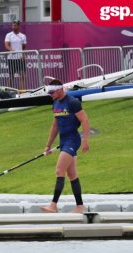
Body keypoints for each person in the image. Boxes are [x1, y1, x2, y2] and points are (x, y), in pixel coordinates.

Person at [40, 79, 90, 214]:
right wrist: (48, 145)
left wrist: (85, 140)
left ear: (59, 89)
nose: (50, 94)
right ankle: (80, 206)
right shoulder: (55, 103)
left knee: (59, 170)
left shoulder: (73, 102)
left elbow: (84, 120)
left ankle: (53, 205)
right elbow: (55, 125)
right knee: (72, 174)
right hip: (63, 141)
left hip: (73, 141)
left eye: (52, 92)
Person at [4, 20, 27, 90]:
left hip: (20, 58)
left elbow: (24, 47)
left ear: (18, 26)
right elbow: (6, 45)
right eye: (12, 25)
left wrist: (23, 55)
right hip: (11, 58)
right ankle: (9, 90)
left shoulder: (23, 36)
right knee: (11, 76)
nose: (13, 27)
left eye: (15, 25)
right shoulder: (9, 35)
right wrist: (11, 50)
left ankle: (22, 91)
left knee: (22, 75)